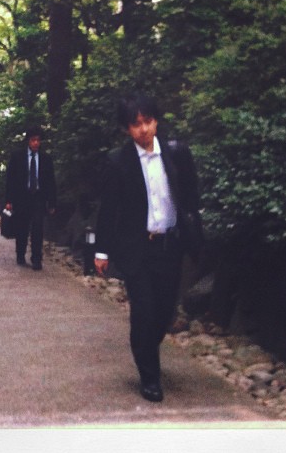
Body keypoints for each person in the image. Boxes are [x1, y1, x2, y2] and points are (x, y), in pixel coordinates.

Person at [95, 93, 203, 403]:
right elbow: (109, 208)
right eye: (136, 124)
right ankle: (150, 376)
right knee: (143, 310)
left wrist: (194, 235)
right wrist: (101, 251)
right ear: (126, 128)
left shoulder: (177, 153)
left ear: (156, 121)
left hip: (170, 244)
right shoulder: (118, 162)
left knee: (164, 310)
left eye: (148, 121)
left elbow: (191, 199)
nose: (143, 129)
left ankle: (145, 347)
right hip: (137, 247)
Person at [5, 126, 57, 271]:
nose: (36, 143)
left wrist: (52, 202)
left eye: (38, 140)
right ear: (28, 141)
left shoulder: (46, 159)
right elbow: (10, 179)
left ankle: (36, 258)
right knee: (22, 228)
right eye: (33, 140)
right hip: (22, 197)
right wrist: (9, 200)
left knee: (38, 229)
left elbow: (51, 181)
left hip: (38, 198)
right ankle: (20, 254)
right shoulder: (17, 157)